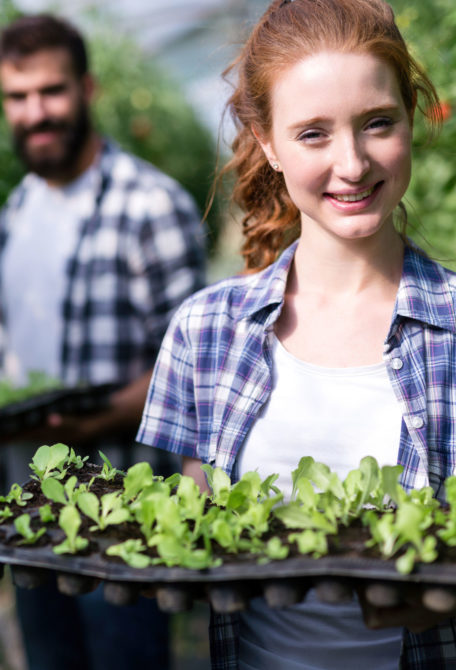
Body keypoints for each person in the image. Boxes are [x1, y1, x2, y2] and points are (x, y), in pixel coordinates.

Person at [137, 0, 456, 667]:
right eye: (313, 133)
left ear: (410, 116)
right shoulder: (206, 333)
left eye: (377, 123)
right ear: (268, 142)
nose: (352, 163)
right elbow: (194, 534)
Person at [0, 13, 205, 670]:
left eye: (51, 91)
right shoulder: (16, 214)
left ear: (87, 90)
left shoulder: (152, 204)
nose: (36, 112)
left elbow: (188, 369)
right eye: (18, 97)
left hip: (119, 512)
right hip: (29, 510)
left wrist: (93, 419)